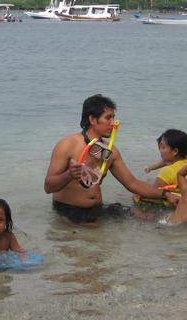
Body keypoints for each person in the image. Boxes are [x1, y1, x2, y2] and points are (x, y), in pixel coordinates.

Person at [44, 94, 168, 224]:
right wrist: (69, 174)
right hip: (69, 211)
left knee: (150, 219)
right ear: (92, 119)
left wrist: (165, 195)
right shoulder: (68, 145)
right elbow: (48, 187)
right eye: (108, 118)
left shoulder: (111, 151)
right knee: (98, 239)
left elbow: (132, 183)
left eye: (114, 118)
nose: (113, 123)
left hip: (97, 209)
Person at [137, 128, 187, 207]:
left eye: (163, 147)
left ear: (175, 151)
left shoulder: (168, 171)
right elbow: (164, 162)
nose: (160, 150)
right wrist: (150, 167)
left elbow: (152, 191)